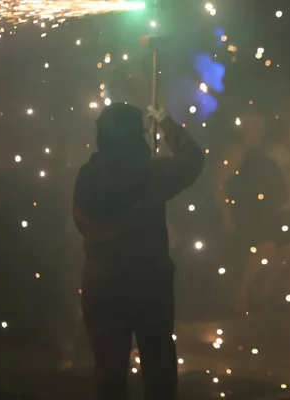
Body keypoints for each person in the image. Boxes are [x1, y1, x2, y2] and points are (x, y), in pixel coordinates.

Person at [72, 103, 204, 400]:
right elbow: (193, 159)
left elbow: (82, 221)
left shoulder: (88, 175)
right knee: (158, 371)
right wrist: (165, 122)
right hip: (149, 283)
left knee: (108, 373)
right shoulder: (152, 173)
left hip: (103, 283)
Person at [213, 110, 287, 313]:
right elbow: (219, 184)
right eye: (253, 127)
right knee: (266, 248)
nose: (258, 132)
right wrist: (226, 213)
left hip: (260, 213)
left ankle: (260, 296)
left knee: (282, 250)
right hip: (241, 213)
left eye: (260, 128)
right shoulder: (236, 152)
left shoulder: (261, 153)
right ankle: (241, 295)